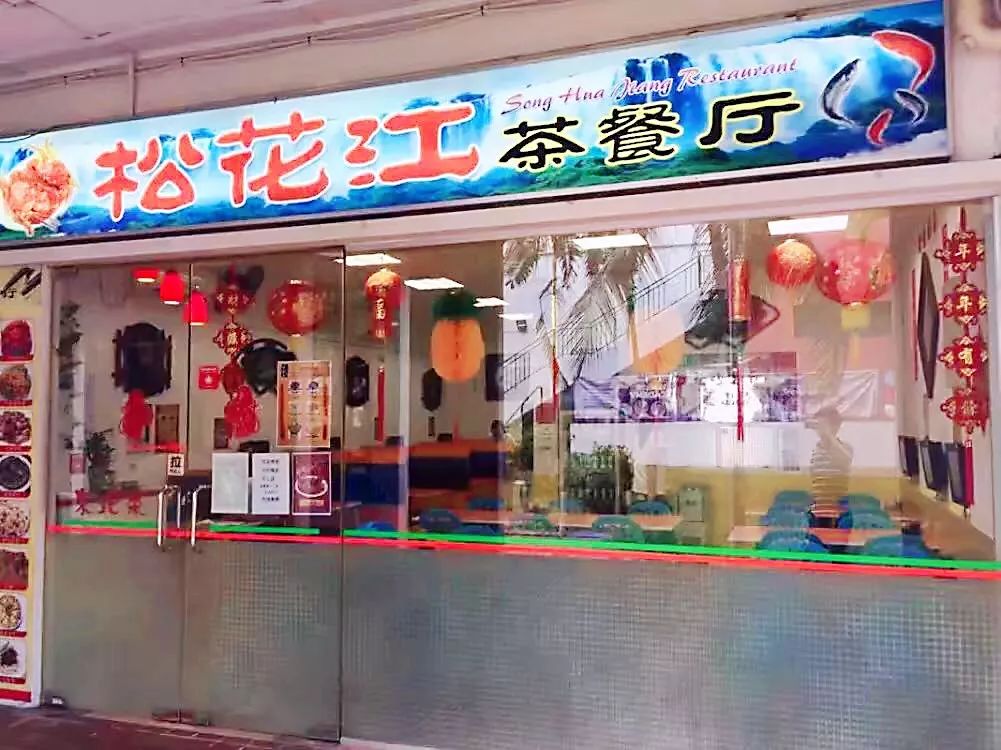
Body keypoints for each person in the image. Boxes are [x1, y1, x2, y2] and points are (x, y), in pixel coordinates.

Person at [808, 406, 853, 506]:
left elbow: (845, 460)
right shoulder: (815, 450)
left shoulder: (845, 447)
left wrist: (829, 435)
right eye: (818, 425)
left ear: (836, 426)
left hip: (839, 504)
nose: (820, 429)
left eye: (824, 425)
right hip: (818, 504)